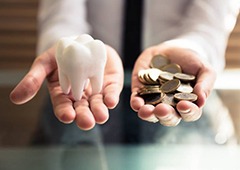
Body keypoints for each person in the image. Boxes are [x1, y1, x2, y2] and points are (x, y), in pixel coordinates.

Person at [10, 0, 239, 144]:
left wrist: (192, 50)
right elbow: (61, 14)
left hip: (191, 136)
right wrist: (65, 46)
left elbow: (209, 22)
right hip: (92, 87)